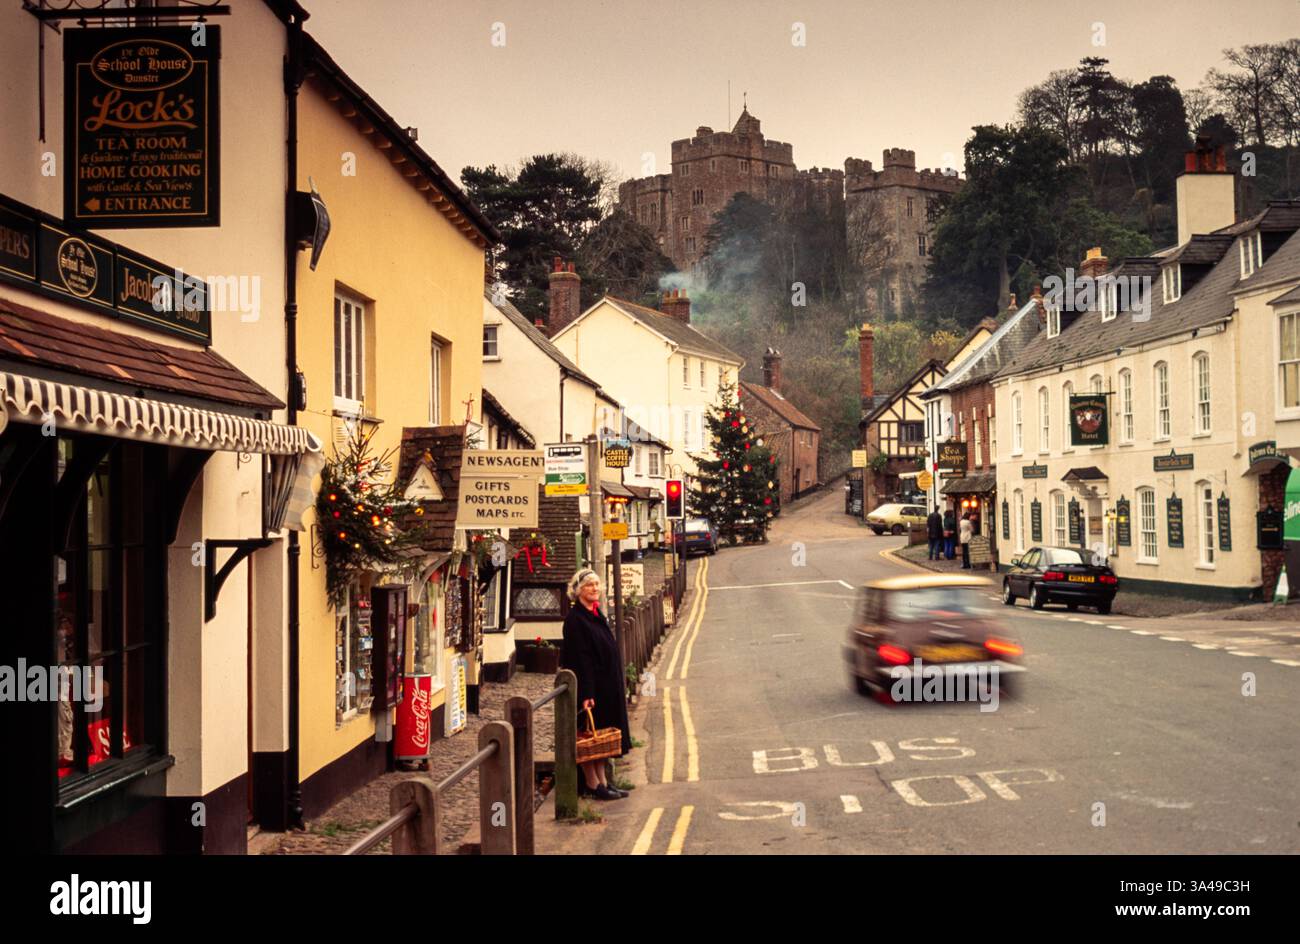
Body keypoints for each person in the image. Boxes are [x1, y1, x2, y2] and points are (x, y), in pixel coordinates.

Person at [560, 568, 631, 801]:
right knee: (589, 737)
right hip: (591, 689)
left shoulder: (595, 613)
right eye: (589, 584)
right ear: (579, 590)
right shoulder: (575, 619)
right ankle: (593, 783)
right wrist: (586, 692)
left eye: (597, 584)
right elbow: (581, 658)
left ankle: (603, 781)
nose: (594, 588)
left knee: (600, 737)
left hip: (606, 686)